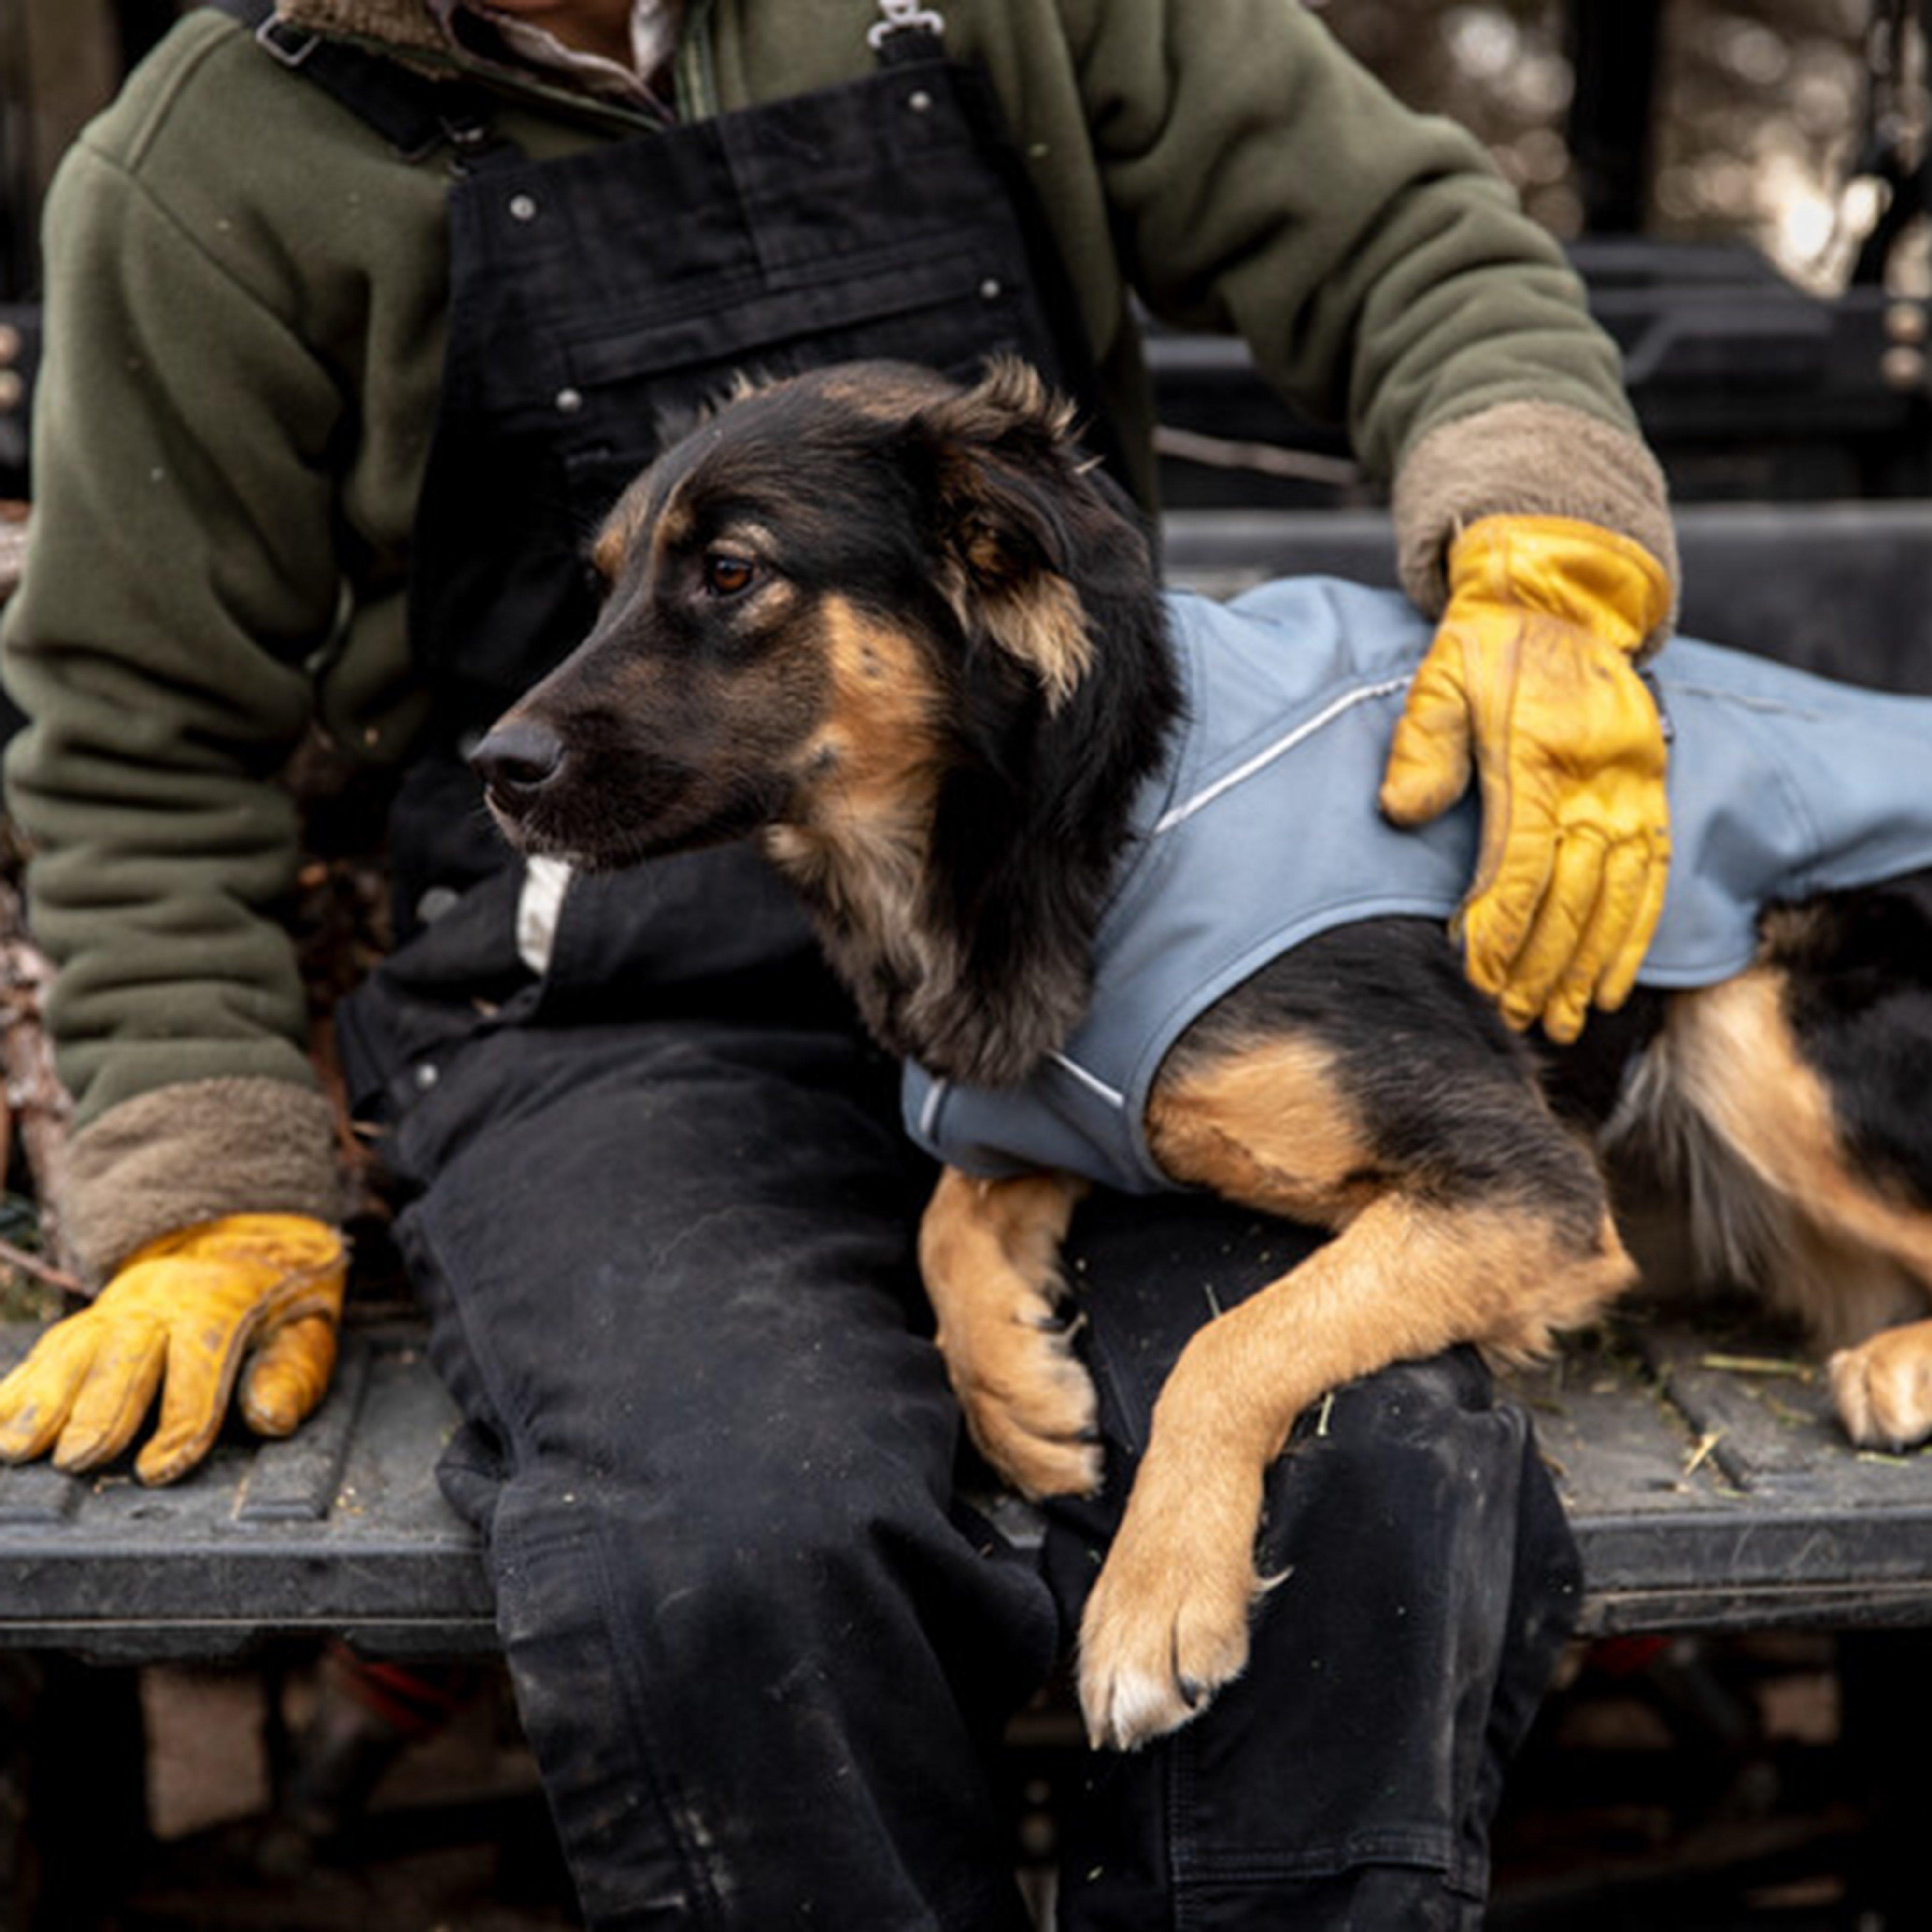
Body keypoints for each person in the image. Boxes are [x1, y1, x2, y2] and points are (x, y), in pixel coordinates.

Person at [0, 1, 1679, 1924]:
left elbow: (1409, 246)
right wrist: (209, 1187)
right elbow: (137, 735)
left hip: (1094, 946)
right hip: (611, 1018)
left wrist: (1539, 550)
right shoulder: (209, 167)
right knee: (740, 1530)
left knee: (1360, 1460)